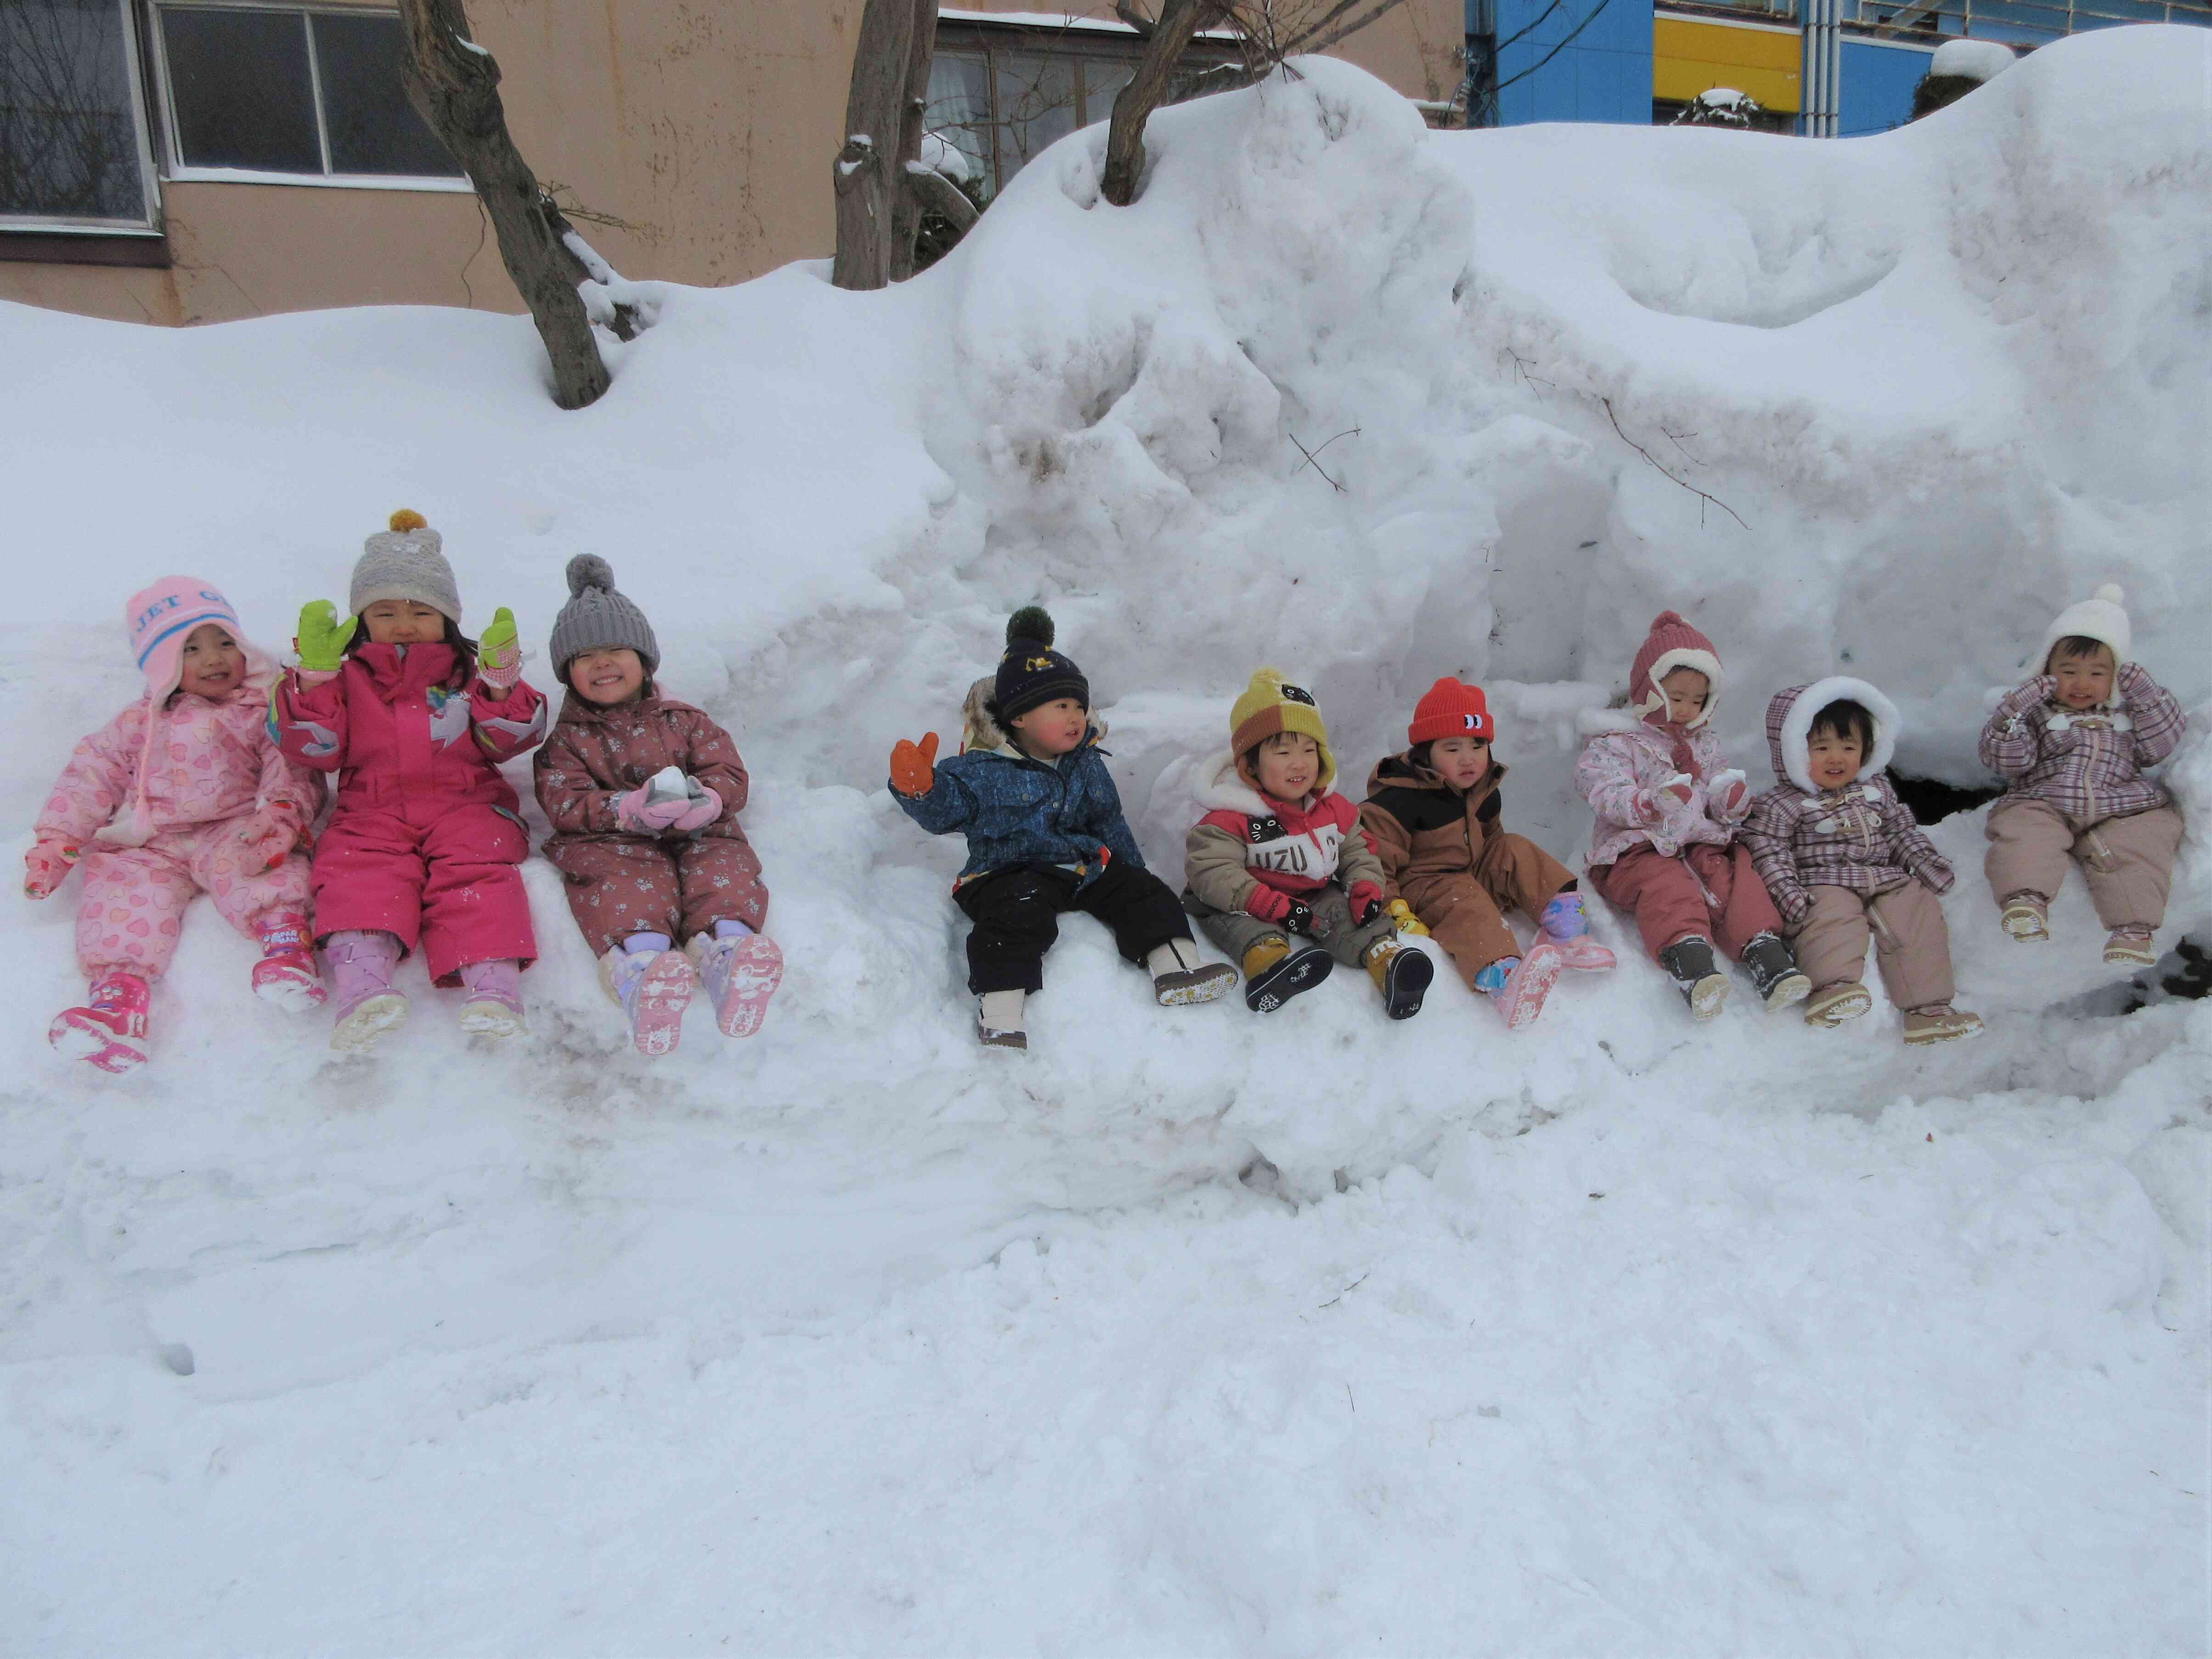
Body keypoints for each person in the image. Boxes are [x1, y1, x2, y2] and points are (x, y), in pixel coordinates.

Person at [888, 607, 1235, 1051]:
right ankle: (1001, 1012)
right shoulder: (980, 769)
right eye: (1059, 706)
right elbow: (946, 813)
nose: (1075, 716)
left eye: (1077, 705)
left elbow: (1107, 818)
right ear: (1019, 717)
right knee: (1016, 917)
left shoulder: (1085, 763)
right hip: (1006, 873)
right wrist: (921, 791)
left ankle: (1178, 969)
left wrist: (1130, 870)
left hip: (1078, 865)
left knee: (1143, 892)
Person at [270, 510, 546, 1051]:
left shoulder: (469, 674)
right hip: (371, 809)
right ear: (361, 620)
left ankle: (492, 988)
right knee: (357, 873)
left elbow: (512, 740)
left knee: (481, 872)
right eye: (386, 611)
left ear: (448, 618)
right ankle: (362, 989)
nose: (403, 624)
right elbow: (314, 750)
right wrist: (314, 680)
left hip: (467, 803)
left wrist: (499, 686)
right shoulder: (346, 677)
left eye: (422, 611)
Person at [27, 579, 322, 1073]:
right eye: (191, 649)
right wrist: (59, 838)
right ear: (161, 663)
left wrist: (281, 813)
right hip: (152, 839)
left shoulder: (259, 710)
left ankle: (287, 947)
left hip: (232, 825)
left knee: (258, 861)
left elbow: (290, 764)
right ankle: (117, 1003)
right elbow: (90, 775)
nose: (214, 659)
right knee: (121, 890)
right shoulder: (136, 723)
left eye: (225, 642)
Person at [534, 556, 783, 1055]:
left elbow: (727, 771)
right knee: (623, 881)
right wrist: (625, 810)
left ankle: (727, 951)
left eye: (615, 649)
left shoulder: (685, 720)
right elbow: (564, 800)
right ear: (568, 674)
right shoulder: (566, 741)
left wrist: (709, 802)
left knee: (723, 867)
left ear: (645, 660)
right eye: (585, 657)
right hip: (614, 841)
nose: (602, 663)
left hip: (697, 829)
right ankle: (643, 969)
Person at [1575, 609, 1810, 1020]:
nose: (1686, 710)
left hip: (1698, 840)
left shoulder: (1703, 743)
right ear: (1650, 689)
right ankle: (1691, 961)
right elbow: (1600, 787)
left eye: (1697, 700)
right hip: (1636, 849)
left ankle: (1765, 952)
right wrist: (1649, 803)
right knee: (1668, 887)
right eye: (1677, 697)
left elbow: (1718, 779)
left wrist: (1729, 798)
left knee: (1734, 875)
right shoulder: (1617, 741)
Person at [1360, 676, 1612, 1030]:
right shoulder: (1398, 800)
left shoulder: (1483, 789)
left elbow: (1493, 841)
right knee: (1466, 900)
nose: (1468, 759)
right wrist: (1392, 909)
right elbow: (1375, 862)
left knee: (1514, 847)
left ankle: (1564, 925)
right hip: (1425, 887)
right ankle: (1503, 977)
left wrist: (1509, 872)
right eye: (1452, 748)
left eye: (1477, 746)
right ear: (1424, 753)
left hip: (1471, 871)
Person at [1182, 669, 1433, 1018]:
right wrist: (1269, 905)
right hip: (1246, 899)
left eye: (1309, 750)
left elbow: (1357, 850)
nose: (1299, 763)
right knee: (1242, 922)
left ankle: (1388, 963)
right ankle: (1270, 964)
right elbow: (1212, 872)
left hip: (1312, 894)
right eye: (1283, 752)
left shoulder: (1332, 809)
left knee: (1350, 915)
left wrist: (1365, 886)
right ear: (1251, 765)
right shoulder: (1231, 814)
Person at [1743, 680, 1983, 1044]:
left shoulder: (1877, 790)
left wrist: (1923, 861)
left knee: (1915, 913)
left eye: (1849, 747)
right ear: (1792, 751)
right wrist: (1786, 890)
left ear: (1867, 750)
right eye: (1821, 748)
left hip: (1883, 876)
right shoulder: (1782, 803)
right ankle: (1832, 989)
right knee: (1829, 917)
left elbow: (1900, 829)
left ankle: (1928, 1009)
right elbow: (1766, 847)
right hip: (1824, 879)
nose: (1836, 758)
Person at [1981, 584, 2186, 965]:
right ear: (2047, 670)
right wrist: (2012, 715)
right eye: (2068, 671)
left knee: (2138, 844)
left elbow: (2159, 747)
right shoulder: (2038, 714)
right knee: (2025, 832)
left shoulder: (2128, 715)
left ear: (2117, 676)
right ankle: (2025, 901)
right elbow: (2009, 763)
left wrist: (2147, 698)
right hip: (2047, 800)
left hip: (2120, 803)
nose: (2081, 683)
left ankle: (2133, 930)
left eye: (2097, 673)